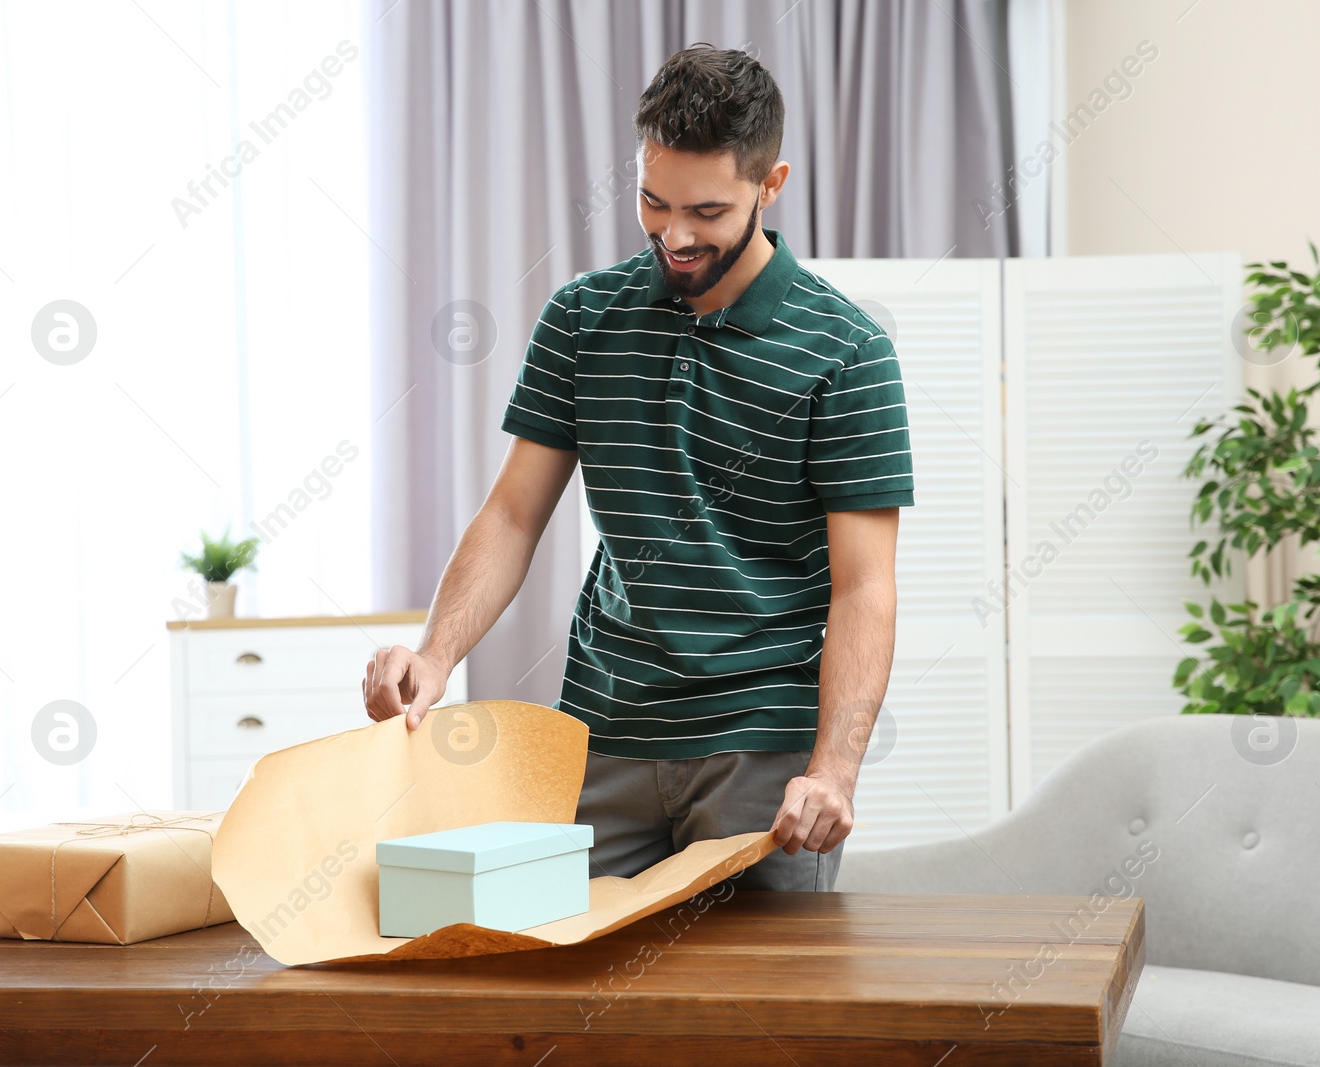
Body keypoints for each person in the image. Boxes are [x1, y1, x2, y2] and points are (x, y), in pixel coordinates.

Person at [364, 43, 913, 892]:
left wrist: (834, 768)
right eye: (654, 203)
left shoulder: (847, 352)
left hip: (761, 758)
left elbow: (864, 587)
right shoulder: (582, 319)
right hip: (601, 734)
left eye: (708, 211)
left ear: (771, 187)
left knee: (749, 1017)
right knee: (562, 999)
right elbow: (513, 514)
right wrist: (436, 656)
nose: (677, 235)